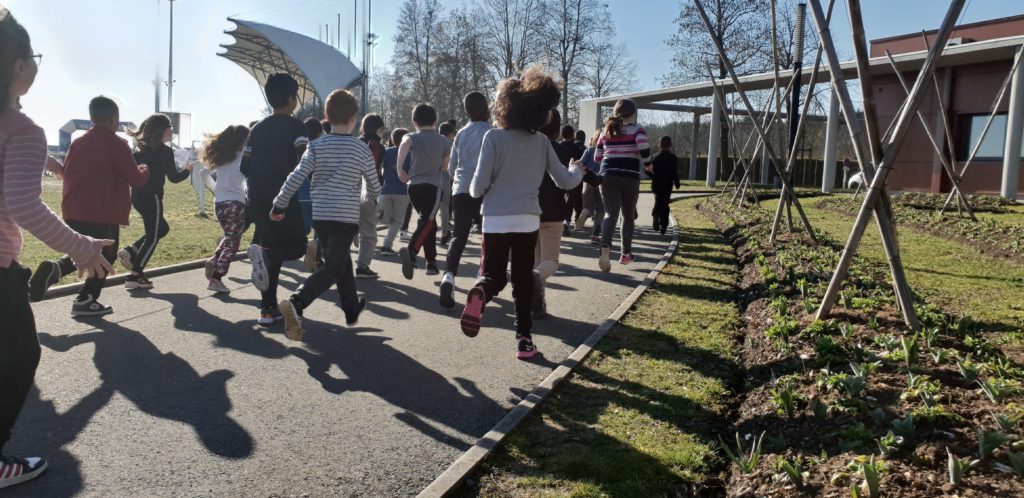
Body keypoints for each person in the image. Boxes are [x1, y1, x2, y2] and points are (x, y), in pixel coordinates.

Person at [1, 6, 114, 488]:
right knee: (20, 354)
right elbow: (22, 205)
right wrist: (84, 249)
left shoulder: (22, 132)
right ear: (19, 67)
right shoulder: (23, 129)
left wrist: (50, 164)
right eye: (35, 55)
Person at [461, 66, 583, 360]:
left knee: (493, 275)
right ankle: (524, 341)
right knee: (521, 281)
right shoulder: (541, 142)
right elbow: (564, 182)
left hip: (494, 219)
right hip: (528, 219)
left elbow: (476, 188)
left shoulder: (492, 138)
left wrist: (489, 186)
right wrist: (577, 170)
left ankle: (481, 292)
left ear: (504, 107)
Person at [272, 89, 380, 341]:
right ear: (355, 117)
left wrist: (279, 204)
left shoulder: (316, 146)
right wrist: (373, 200)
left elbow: (296, 176)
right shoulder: (361, 149)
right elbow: (374, 185)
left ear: (326, 117)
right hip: (346, 217)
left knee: (341, 261)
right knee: (334, 266)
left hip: (322, 216)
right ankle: (297, 302)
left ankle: (351, 309)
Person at [29, 96, 149, 315]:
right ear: (115, 119)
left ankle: (55, 270)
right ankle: (86, 299)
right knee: (105, 255)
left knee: (83, 248)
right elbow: (135, 179)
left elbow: (66, 171)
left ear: (92, 118)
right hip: (102, 211)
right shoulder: (117, 144)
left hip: (73, 208)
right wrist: (144, 169)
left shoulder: (78, 142)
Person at [241, 73, 309, 325]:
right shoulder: (296, 127)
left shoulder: (256, 128)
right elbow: (305, 159)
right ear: (292, 99)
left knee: (270, 247)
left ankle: (267, 310)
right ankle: (264, 257)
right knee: (299, 245)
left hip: (257, 196)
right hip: (283, 195)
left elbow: (244, 167)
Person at [116, 113, 193, 289]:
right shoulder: (165, 151)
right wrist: (188, 170)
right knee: (153, 236)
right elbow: (174, 178)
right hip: (153, 197)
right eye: (170, 128)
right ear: (163, 130)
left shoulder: (138, 151)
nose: (172, 131)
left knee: (162, 228)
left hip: (137, 196)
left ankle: (131, 250)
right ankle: (135, 275)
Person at [439, 91, 493, 309]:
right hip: (485, 190)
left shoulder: (460, 133)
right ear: (485, 108)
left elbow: (451, 168)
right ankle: (481, 279)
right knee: (487, 237)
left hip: (460, 189)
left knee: (459, 236)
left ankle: (448, 277)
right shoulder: (492, 132)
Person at [595, 98, 650, 272]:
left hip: (608, 176)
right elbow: (643, 148)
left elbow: (597, 157)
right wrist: (648, 164)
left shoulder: (606, 131)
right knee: (627, 215)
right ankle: (625, 253)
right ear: (633, 113)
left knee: (610, 213)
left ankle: (605, 246)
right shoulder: (638, 130)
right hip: (630, 177)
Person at [397, 103, 449, 280]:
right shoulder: (443, 140)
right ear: (435, 121)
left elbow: (404, 144)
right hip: (433, 186)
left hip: (413, 187)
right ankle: (411, 251)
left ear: (414, 122)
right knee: (428, 221)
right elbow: (445, 166)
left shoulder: (411, 136)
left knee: (428, 224)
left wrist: (399, 169)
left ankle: (431, 263)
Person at [533, 109, 576, 320]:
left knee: (537, 259)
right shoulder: (561, 150)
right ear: (557, 128)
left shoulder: (530, 147)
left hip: (531, 208)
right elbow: (568, 182)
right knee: (550, 261)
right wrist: (576, 171)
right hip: (554, 209)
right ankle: (534, 283)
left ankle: (538, 305)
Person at [199, 124, 250, 293]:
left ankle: (214, 259)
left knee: (229, 237)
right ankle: (216, 278)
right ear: (244, 141)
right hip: (235, 204)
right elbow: (249, 180)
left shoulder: (223, 157)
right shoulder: (244, 158)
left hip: (219, 204)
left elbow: (203, 174)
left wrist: (216, 188)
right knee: (233, 244)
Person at [356, 113, 385, 279]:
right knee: (369, 232)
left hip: (348, 191)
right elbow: (375, 172)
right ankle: (363, 266)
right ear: (379, 130)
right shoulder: (377, 147)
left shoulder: (354, 142)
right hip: (367, 193)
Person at [377, 128, 410, 255]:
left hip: (385, 189)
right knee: (397, 220)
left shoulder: (386, 152)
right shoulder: (410, 153)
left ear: (391, 139)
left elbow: (380, 169)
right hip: (402, 190)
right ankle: (386, 245)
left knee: (383, 218)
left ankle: (362, 233)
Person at [299, 117, 323, 271]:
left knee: (303, 227)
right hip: (317, 195)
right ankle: (316, 252)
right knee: (320, 229)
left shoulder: (300, 148)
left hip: (300, 195)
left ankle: (303, 247)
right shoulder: (320, 147)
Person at [576, 129, 604, 245]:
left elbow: (580, 163)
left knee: (588, 207)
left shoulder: (589, 150)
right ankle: (595, 235)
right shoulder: (607, 151)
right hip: (602, 181)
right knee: (601, 210)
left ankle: (585, 212)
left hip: (588, 181)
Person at [649, 135, 679, 235]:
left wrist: (653, 176)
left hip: (656, 183)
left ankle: (655, 214)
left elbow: (648, 170)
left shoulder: (654, 157)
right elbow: (674, 172)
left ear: (659, 145)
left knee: (658, 199)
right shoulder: (673, 158)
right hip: (667, 184)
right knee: (665, 204)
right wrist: (677, 182)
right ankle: (664, 225)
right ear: (670, 145)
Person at [560, 124, 584, 235]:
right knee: (577, 198)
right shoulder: (576, 148)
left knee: (566, 199)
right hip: (575, 177)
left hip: (560, 176)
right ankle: (577, 219)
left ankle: (565, 220)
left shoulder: (559, 146)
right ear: (572, 134)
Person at [437, 121, 456, 246]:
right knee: (444, 207)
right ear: (450, 134)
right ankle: (445, 234)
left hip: (431, 177)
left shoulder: (434, 142)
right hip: (445, 177)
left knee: (431, 208)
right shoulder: (451, 145)